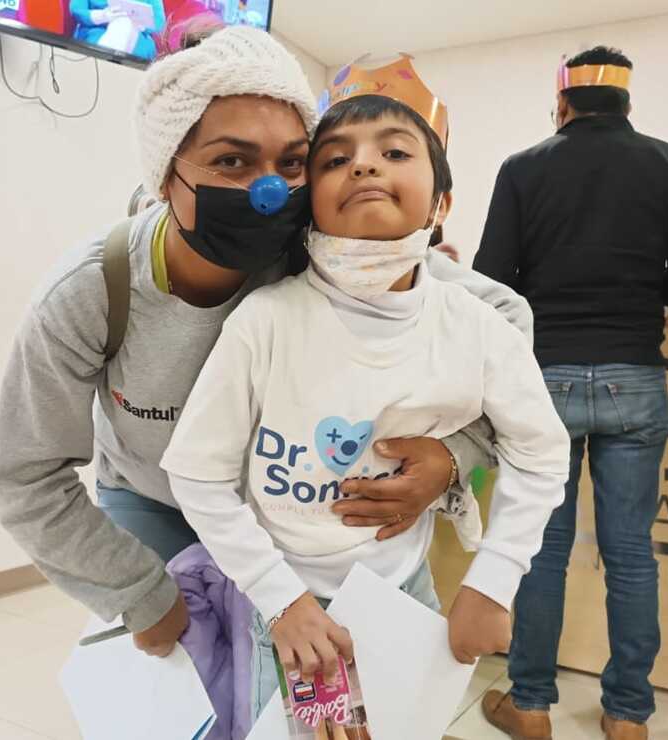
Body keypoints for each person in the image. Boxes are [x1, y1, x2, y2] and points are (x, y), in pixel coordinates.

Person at [0, 27, 532, 663]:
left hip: (282, 513)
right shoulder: (92, 293)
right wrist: (140, 593)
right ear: (167, 177)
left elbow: (503, 315)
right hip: (156, 501)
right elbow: (24, 477)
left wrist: (451, 455)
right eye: (231, 162)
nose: (270, 190)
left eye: (293, 163)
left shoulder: (318, 250)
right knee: (191, 687)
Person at [159, 55, 571, 721]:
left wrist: (494, 580)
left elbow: (541, 450)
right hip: (285, 604)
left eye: (395, 151)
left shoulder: (477, 327)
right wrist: (281, 599)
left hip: (401, 593)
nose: (364, 165)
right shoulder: (266, 321)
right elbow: (198, 474)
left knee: (400, 727)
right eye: (335, 159)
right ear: (308, 205)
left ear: (442, 203)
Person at [472, 46, 668, 740]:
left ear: (562, 103)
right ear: (628, 104)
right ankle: (628, 716)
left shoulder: (523, 168)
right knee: (632, 553)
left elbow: (492, 281)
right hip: (636, 381)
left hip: (542, 380)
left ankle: (529, 705)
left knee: (540, 549)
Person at [71, 0, 166, 60]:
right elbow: (77, 9)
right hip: (97, 30)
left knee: (125, 23)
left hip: (139, 35)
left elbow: (159, 22)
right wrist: (102, 15)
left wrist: (141, 23)